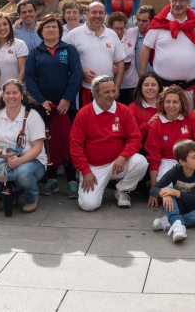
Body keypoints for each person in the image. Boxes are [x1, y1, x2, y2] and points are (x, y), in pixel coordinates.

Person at [70, 75, 149, 211]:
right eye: (107, 92)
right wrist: (85, 170)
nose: (112, 95)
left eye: (113, 91)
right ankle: (91, 183)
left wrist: (123, 156)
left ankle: (122, 190)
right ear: (95, 94)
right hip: (94, 167)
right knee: (89, 206)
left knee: (140, 162)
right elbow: (75, 146)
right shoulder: (84, 113)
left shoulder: (124, 110)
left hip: (118, 163)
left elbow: (135, 139)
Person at [25, 14, 82, 197]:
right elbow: (29, 79)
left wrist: (67, 98)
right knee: (47, 142)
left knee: (69, 141)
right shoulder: (35, 52)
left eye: (55, 27)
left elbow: (76, 75)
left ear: (60, 30)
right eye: (47, 27)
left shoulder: (69, 50)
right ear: (41, 31)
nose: (51, 30)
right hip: (44, 107)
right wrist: (41, 101)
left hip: (67, 106)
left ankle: (72, 179)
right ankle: (51, 179)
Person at [0, 79, 48, 213]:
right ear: (2, 96)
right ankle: (15, 192)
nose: (11, 96)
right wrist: (1, 154)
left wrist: (20, 161)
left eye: (15, 93)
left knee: (22, 174)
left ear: (22, 95)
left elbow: (37, 147)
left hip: (32, 160)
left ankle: (31, 197)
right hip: (4, 160)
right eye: (7, 93)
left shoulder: (33, 116)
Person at [145, 85, 195, 198]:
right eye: (168, 102)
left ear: (181, 104)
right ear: (162, 104)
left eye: (175, 102)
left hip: (188, 159)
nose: (171, 105)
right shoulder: (156, 124)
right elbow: (154, 156)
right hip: (168, 161)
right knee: (166, 193)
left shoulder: (190, 116)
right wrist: (154, 187)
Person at [139, 0, 195, 105]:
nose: (177, 4)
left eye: (181, 0)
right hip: (164, 89)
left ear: (188, 2)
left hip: (189, 89)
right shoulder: (159, 22)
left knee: (188, 123)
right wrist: (142, 74)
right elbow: (146, 47)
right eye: (174, 0)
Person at [150, 139, 195, 242]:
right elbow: (154, 189)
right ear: (182, 162)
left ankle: (173, 221)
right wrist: (164, 194)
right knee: (167, 190)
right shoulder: (175, 171)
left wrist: (174, 192)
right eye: (194, 157)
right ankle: (177, 225)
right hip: (179, 206)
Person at [63, 2, 124, 105]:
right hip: (84, 90)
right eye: (94, 12)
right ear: (86, 15)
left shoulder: (112, 34)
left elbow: (120, 62)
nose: (97, 16)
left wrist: (116, 87)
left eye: (101, 13)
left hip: (108, 91)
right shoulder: (74, 34)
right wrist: (81, 70)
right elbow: (64, 61)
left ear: (105, 15)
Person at [0, 12, 28, 88]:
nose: (2, 28)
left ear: (10, 26)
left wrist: (14, 88)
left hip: (13, 91)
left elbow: (23, 70)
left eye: (5, 24)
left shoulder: (19, 44)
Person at [107, 12, 137, 105]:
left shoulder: (131, 34)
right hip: (112, 85)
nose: (119, 32)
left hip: (131, 84)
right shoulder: (105, 37)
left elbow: (146, 24)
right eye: (116, 28)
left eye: (122, 28)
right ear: (110, 27)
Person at [130, 72, 163, 142]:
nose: (150, 88)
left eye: (153, 85)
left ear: (159, 87)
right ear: (140, 87)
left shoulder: (168, 104)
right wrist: (148, 124)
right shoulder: (132, 108)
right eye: (146, 85)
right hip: (143, 148)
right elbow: (132, 135)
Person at [128, 5, 155, 77]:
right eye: (138, 20)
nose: (140, 23)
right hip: (138, 82)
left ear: (152, 21)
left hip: (157, 80)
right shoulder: (131, 35)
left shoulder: (158, 37)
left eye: (144, 21)